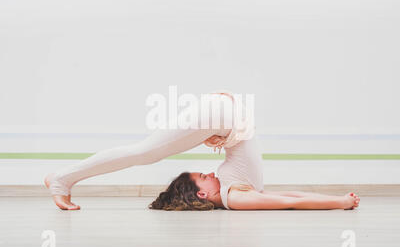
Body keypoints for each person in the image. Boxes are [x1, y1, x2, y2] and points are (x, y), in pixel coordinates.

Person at [45, 91, 360, 211]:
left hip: (220, 115)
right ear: (204, 195)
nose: (209, 172)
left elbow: (290, 201)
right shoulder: (235, 196)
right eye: (203, 177)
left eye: (202, 174)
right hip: (222, 115)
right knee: (144, 152)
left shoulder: (233, 191)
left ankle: (61, 179)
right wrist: (340, 202)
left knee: (145, 152)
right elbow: (291, 200)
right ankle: (60, 179)